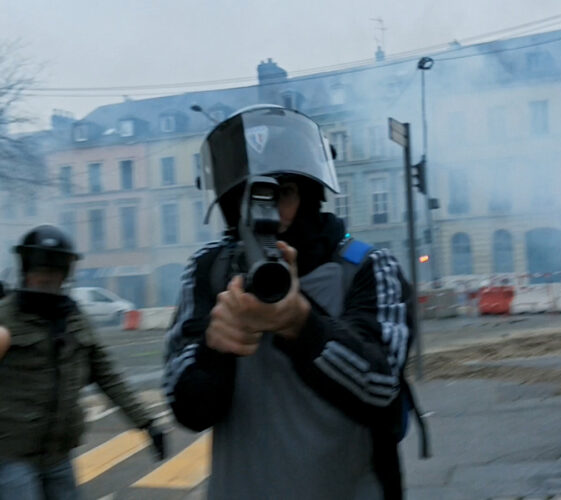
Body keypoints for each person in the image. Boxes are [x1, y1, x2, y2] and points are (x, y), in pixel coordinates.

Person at [164, 105, 414, 499]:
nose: (269, 214)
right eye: (252, 196)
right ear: (233, 204)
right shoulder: (208, 270)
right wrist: (215, 350)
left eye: (282, 193)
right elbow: (187, 409)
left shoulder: (366, 266)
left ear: (309, 195)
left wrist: (302, 324)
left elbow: (380, 388)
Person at [0, 224, 166, 500]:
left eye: (53, 272)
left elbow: (107, 375)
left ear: (64, 275)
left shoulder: (73, 318)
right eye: (40, 270)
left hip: (58, 454)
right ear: (26, 271)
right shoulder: (5, 317)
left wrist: (147, 423)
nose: (46, 279)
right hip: (11, 454)